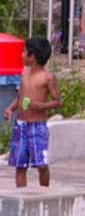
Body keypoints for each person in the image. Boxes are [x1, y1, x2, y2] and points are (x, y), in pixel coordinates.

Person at [4, 37, 60, 187]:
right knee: (20, 165)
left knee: (42, 165)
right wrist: (10, 108)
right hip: (21, 126)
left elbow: (57, 102)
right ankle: (22, 196)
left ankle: (44, 192)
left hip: (37, 127)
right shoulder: (24, 75)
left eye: (24, 52)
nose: (22, 55)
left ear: (32, 57)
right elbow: (19, 96)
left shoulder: (47, 77)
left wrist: (41, 106)